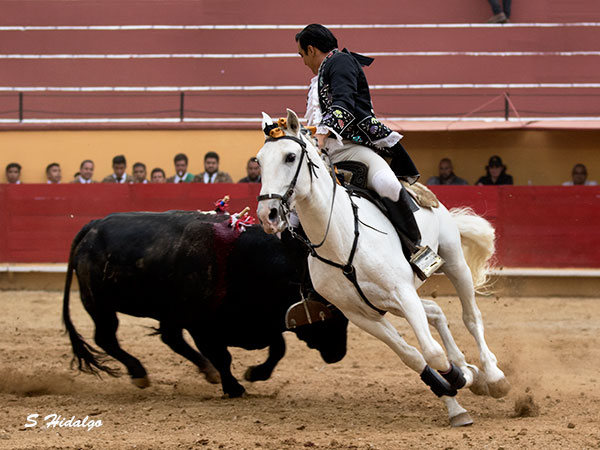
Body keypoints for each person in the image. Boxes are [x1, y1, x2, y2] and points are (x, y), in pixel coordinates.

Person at [295, 24, 439, 277]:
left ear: (311, 49)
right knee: (297, 204)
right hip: (325, 152)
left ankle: (418, 250)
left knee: (388, 184)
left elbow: (344, 105)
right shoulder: (321, 74)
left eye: (302, 56)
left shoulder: (340, 62)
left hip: (352, 149)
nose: (304, 62)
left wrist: (319, 137)